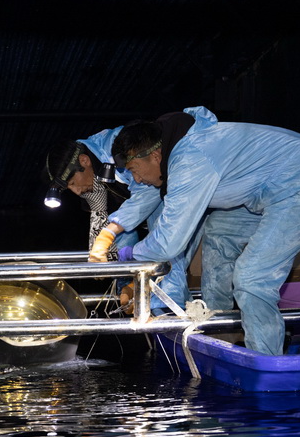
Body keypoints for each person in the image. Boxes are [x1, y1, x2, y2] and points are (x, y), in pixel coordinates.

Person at [99, 107, 300, 355]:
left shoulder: (190, 160)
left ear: (156, 155)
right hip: (264, 193)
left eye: (135, 170)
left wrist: (129, 255)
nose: (137, 180)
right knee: (217, 230)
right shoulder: (180, 154)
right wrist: (110, 233)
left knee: (251, 278)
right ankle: (221, 330)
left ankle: (268, 363)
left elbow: (170, 243)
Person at [45, 128, 195, 311]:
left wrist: (107, 234)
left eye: (73, 183)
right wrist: (127, 282)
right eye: (70, 188)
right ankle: (144, 296)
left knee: (167, 245)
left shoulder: (117, 150)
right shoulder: (93, 181)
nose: (76, 192)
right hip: (146, 209)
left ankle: (170, 308)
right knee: (139, 259)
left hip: (171, 194)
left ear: (84, 161)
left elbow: (149, 191)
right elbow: (118, 225)